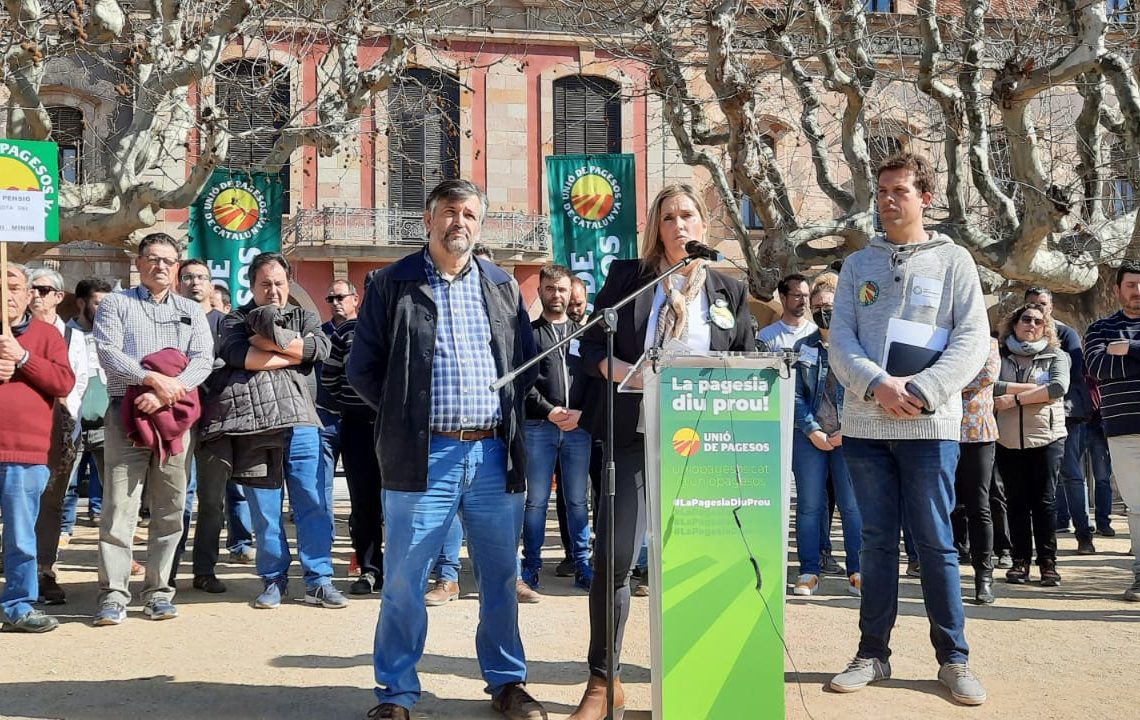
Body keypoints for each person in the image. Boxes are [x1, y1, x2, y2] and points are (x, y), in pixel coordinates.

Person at [347, 179, 545, 720]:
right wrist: (402, 415)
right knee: (406, 581)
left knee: (501, 578)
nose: (460, 222)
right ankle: (396, 693)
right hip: (422, 456)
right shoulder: (391, 283)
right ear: (429, 220)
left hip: (491, 457)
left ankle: (507, 682)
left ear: (480, 224)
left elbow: (524, 363)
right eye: (450, 212)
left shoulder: (502, 285)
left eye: (470, 214)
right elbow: (360, 368)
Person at [568, 183, 756, 719]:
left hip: (705, 442)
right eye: (668, 217)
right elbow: (591, 348)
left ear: (704, 225)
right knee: (616, 558)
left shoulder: (726, 289)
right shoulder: (628, 280)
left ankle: (698, 676)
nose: (679, 226)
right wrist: (624, 371)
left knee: (700, 562)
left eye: (689, 216)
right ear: (656, 228)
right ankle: (604, 683)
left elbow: (745, 355)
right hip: (634, 436)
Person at [827, 153, 989, 705]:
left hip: (929, 426)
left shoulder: (954, 261)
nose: (889, 199)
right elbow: (840, 339)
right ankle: (872, 653)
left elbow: (972, 340)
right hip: (867, 424)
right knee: (874, 542)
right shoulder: (856, 266)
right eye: (882, 190)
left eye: (900, 190)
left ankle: (954, 659)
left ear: (925, 198)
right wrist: (878, 386)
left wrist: (921, 391)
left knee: (936, 543)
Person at [201, 252, 345, 610]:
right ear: (251, 286)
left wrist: (268, 342)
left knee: (313, 505)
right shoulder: (234, 320)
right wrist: (295, 353)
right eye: (265, 284)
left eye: (279, 283)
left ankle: (319, 580)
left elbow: (320, 348)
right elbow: (242, 357)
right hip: (255, 428)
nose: (274, 291)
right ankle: (273, 579)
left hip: (304, 426)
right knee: (265, 511)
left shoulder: (305, 315)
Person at [92, 232, 214, 625]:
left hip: (175, 419)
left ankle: (159, 590)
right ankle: (113, 593)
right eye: (152, 258)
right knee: (118, 507)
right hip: (124, 416)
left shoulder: (191, 311)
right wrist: (148, 378)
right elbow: (108, 352)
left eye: (167, 259)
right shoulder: (115, 304)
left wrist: (164, 394)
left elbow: (203, 360)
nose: (160, 265)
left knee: (171, 508)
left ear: (176, 265)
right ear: (139, 262)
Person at [0, 263, 75, 632]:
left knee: (20, 536)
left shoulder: (47, 336)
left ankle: (17, 604)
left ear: (30, 294)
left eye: (14, 285)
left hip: (25, 454)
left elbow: (63, 382)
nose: (7, 293)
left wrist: (23, 359)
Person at [519, 264, 593, 600]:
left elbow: (596, 380)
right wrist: (550, 411)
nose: (557, 295)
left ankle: (582, 564)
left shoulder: (585, 334)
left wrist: (581, 414)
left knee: (578, 502)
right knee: (535, 502)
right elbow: (524, 383)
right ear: (540, 291)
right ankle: (531, 566)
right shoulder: (530, 335)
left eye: (562, 289)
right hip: (539, 427)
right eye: (550, 288)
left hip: (578, 428)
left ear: (571, 291)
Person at [791, 281, 862, 597]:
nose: (823, 313)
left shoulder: (856, 346)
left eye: (829, 308)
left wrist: (846, 429)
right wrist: (812, 430)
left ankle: (858, 571)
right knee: (809, 506)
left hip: (849, 438)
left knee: (852, 506)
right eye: (817, 307)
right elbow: (792, 395)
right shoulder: (801, 348)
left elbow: (866, 390)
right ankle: (809, 570)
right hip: (809, 439)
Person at [992, 302, 1069, 587]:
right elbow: (990, 386)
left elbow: (1058, 388)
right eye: (1026, 319)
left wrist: (1014, 399)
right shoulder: (1000, 356)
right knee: (1017, 503)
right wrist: (1036, 392)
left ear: (1046, 328)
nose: (1032, 325)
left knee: (1045, 502)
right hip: (1008, 440)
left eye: (1039, 321)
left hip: (1047, 440)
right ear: (1014, 324)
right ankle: (1020, 561)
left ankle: (1048, 563)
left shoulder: (1056, 356)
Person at [26, 268, 89, 606]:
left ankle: (44, 568)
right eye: (30, 288)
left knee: (51, 501)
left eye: (43, 289)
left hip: (58, 428)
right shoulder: (12, 332)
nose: (35, 294)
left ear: (58, 296)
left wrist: (61, 407)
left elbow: (77, 384)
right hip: (19, 427)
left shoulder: (73, 337)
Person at [173, 258, 233, 593]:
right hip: (175, 421)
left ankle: (204, 570)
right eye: (188, 277)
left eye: (201, 278)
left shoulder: (226, 325)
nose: (194, 283)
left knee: (212, 502)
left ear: (211, 286)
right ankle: (166, 569)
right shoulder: (166, 319)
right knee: (175, 499)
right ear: (178, 283)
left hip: (214, 422)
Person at [321, 277, 384, 595]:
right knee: (364, 502)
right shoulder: (346, 332)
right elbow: (330, 377)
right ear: (363, 297)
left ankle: (403, 569)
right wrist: (352, 402)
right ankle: (371, 570)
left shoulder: (403, 329)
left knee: (402, 501)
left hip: (396, 427)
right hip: (357, 426)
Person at [1084, 259, 1140, 601]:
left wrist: (1130, 349)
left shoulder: (1117, 339)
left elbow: (1114, 362)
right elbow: (1098, 367)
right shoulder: (1100, 329)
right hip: (1123, 431)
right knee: (1136, 506)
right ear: (1117, 289)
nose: (1138, 291)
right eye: (1131, 285)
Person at [1024, 287, 1096, 553]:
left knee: (1072, 475)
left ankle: (1084, 535)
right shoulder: (1017, 332)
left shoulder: (1066, 334)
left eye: (1042, 303)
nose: (1037, 308)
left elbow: (1073, 373)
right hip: (1027, 414)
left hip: (1064, 413)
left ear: (1051, 306)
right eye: (1031, 303)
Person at [59, 278, 112, 538]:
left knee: (114, 490)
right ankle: (59, 539)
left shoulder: (114, 335)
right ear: (81, 303)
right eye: (98, 303)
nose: (104, 310)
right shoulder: (63, 334)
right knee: (63, 485)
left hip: (107, 425)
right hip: (71, 423)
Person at [955, 337, 1000, 604]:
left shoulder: (988, 343)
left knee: (979, 506)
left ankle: (984, 575)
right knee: (945, 504)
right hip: (940, 431)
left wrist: (939, 383)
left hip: (978, 434)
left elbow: (985, 376)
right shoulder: (943, 337)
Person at [757, 272, 816, 351]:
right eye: (798, 295)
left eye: (806, 296)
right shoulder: (766, 337)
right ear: (783, 298)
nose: (804, 301)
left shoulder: (816, 334)